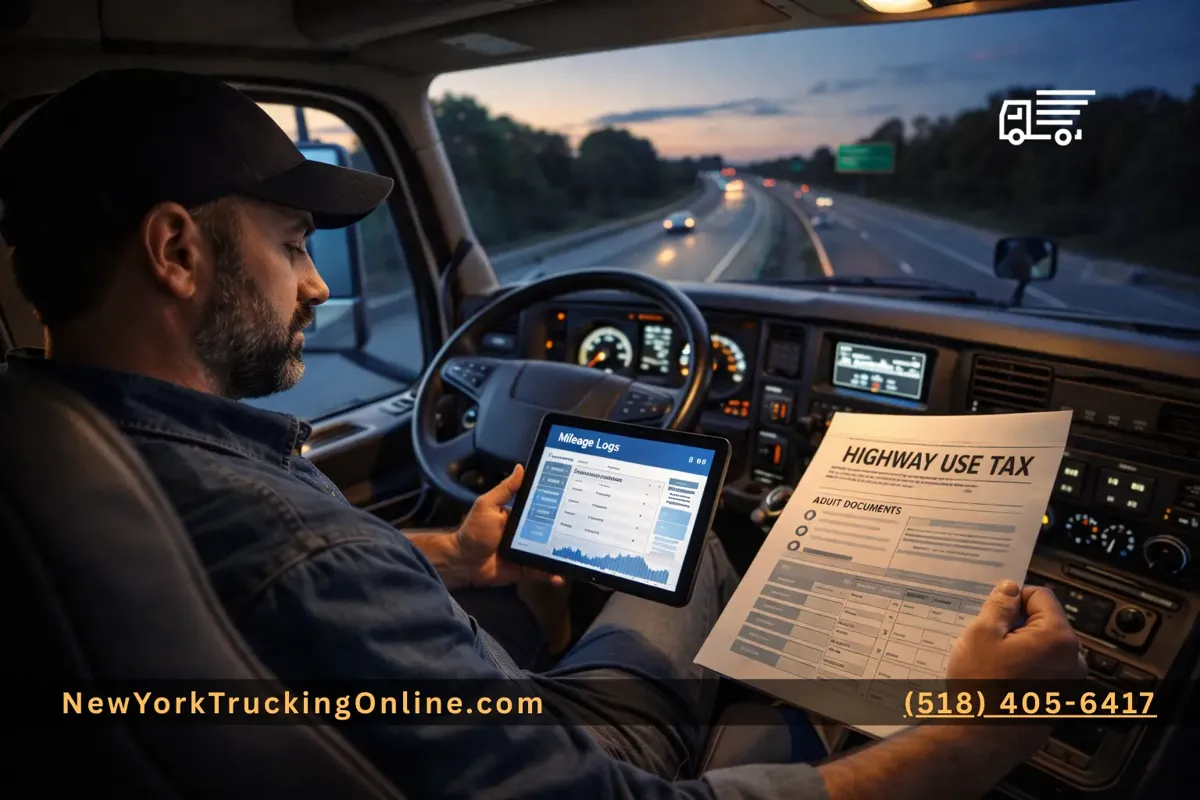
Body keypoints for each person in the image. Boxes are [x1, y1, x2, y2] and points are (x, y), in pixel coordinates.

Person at [0, 69, 1086, 799]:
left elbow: (260, 579)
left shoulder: (65, 440)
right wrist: (970, 736)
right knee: (697, 545)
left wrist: (445, 553)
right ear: (177, 253)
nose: (320, 283)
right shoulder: (299, 549)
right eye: (292, 244)